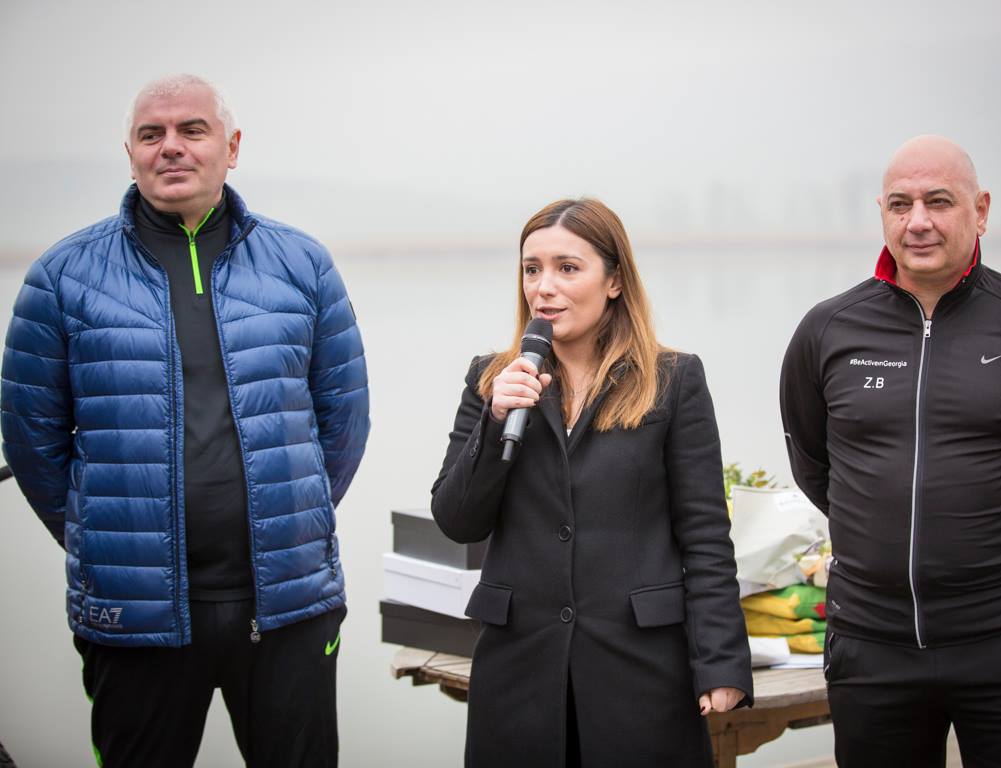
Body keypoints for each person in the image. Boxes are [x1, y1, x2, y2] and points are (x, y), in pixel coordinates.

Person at [0, 74, 370, 768]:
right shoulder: (62, 277)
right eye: (152, 134)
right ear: (130, 154)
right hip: (134, 615)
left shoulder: (303, 265)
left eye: (191, 130)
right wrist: (101, 536)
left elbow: (343, 420)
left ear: (232, 147)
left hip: (287, 606)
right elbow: (30, 441)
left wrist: (293, 519)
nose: (170, 146)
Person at [780, 135, 1001, 767]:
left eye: (939, 201)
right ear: (882, 213)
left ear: (980, 210)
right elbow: (815, 466)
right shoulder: (827, 330)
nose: (918, 222)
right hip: (871, 645)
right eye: (900, 204)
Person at [431, 198, 753, 767]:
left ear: (614, 281)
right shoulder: (491, 379)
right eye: (532, 269)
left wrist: (721, 662)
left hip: (641, 670)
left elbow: (704, 534)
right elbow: (457, 521)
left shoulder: (673, 380)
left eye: (567, 268)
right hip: (518, 674)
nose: (544, 288)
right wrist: (495, 419)